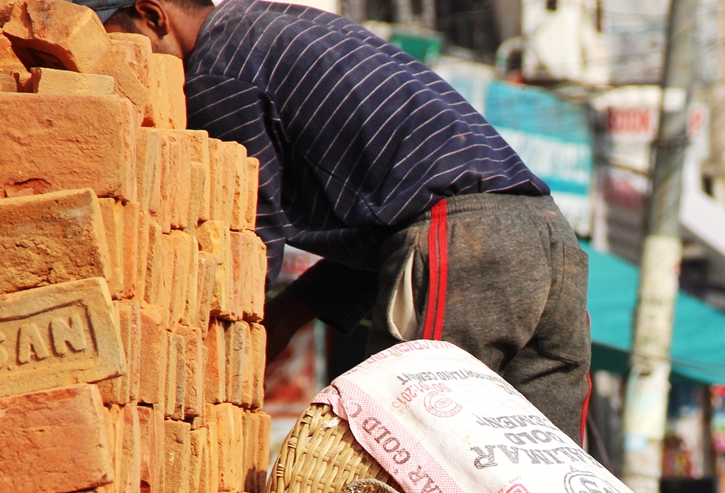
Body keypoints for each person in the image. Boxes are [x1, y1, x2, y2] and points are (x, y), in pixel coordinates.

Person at [82, 0, 591, 439]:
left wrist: (213, 361)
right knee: (550, 467)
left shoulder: (215, 71)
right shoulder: (270, 28)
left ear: (152, 16)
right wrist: (289, 314)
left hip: (467, 237)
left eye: (119, 47)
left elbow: (248, 235)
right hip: (547, 235)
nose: (123, 76)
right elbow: (387, 219)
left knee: (416, 449)